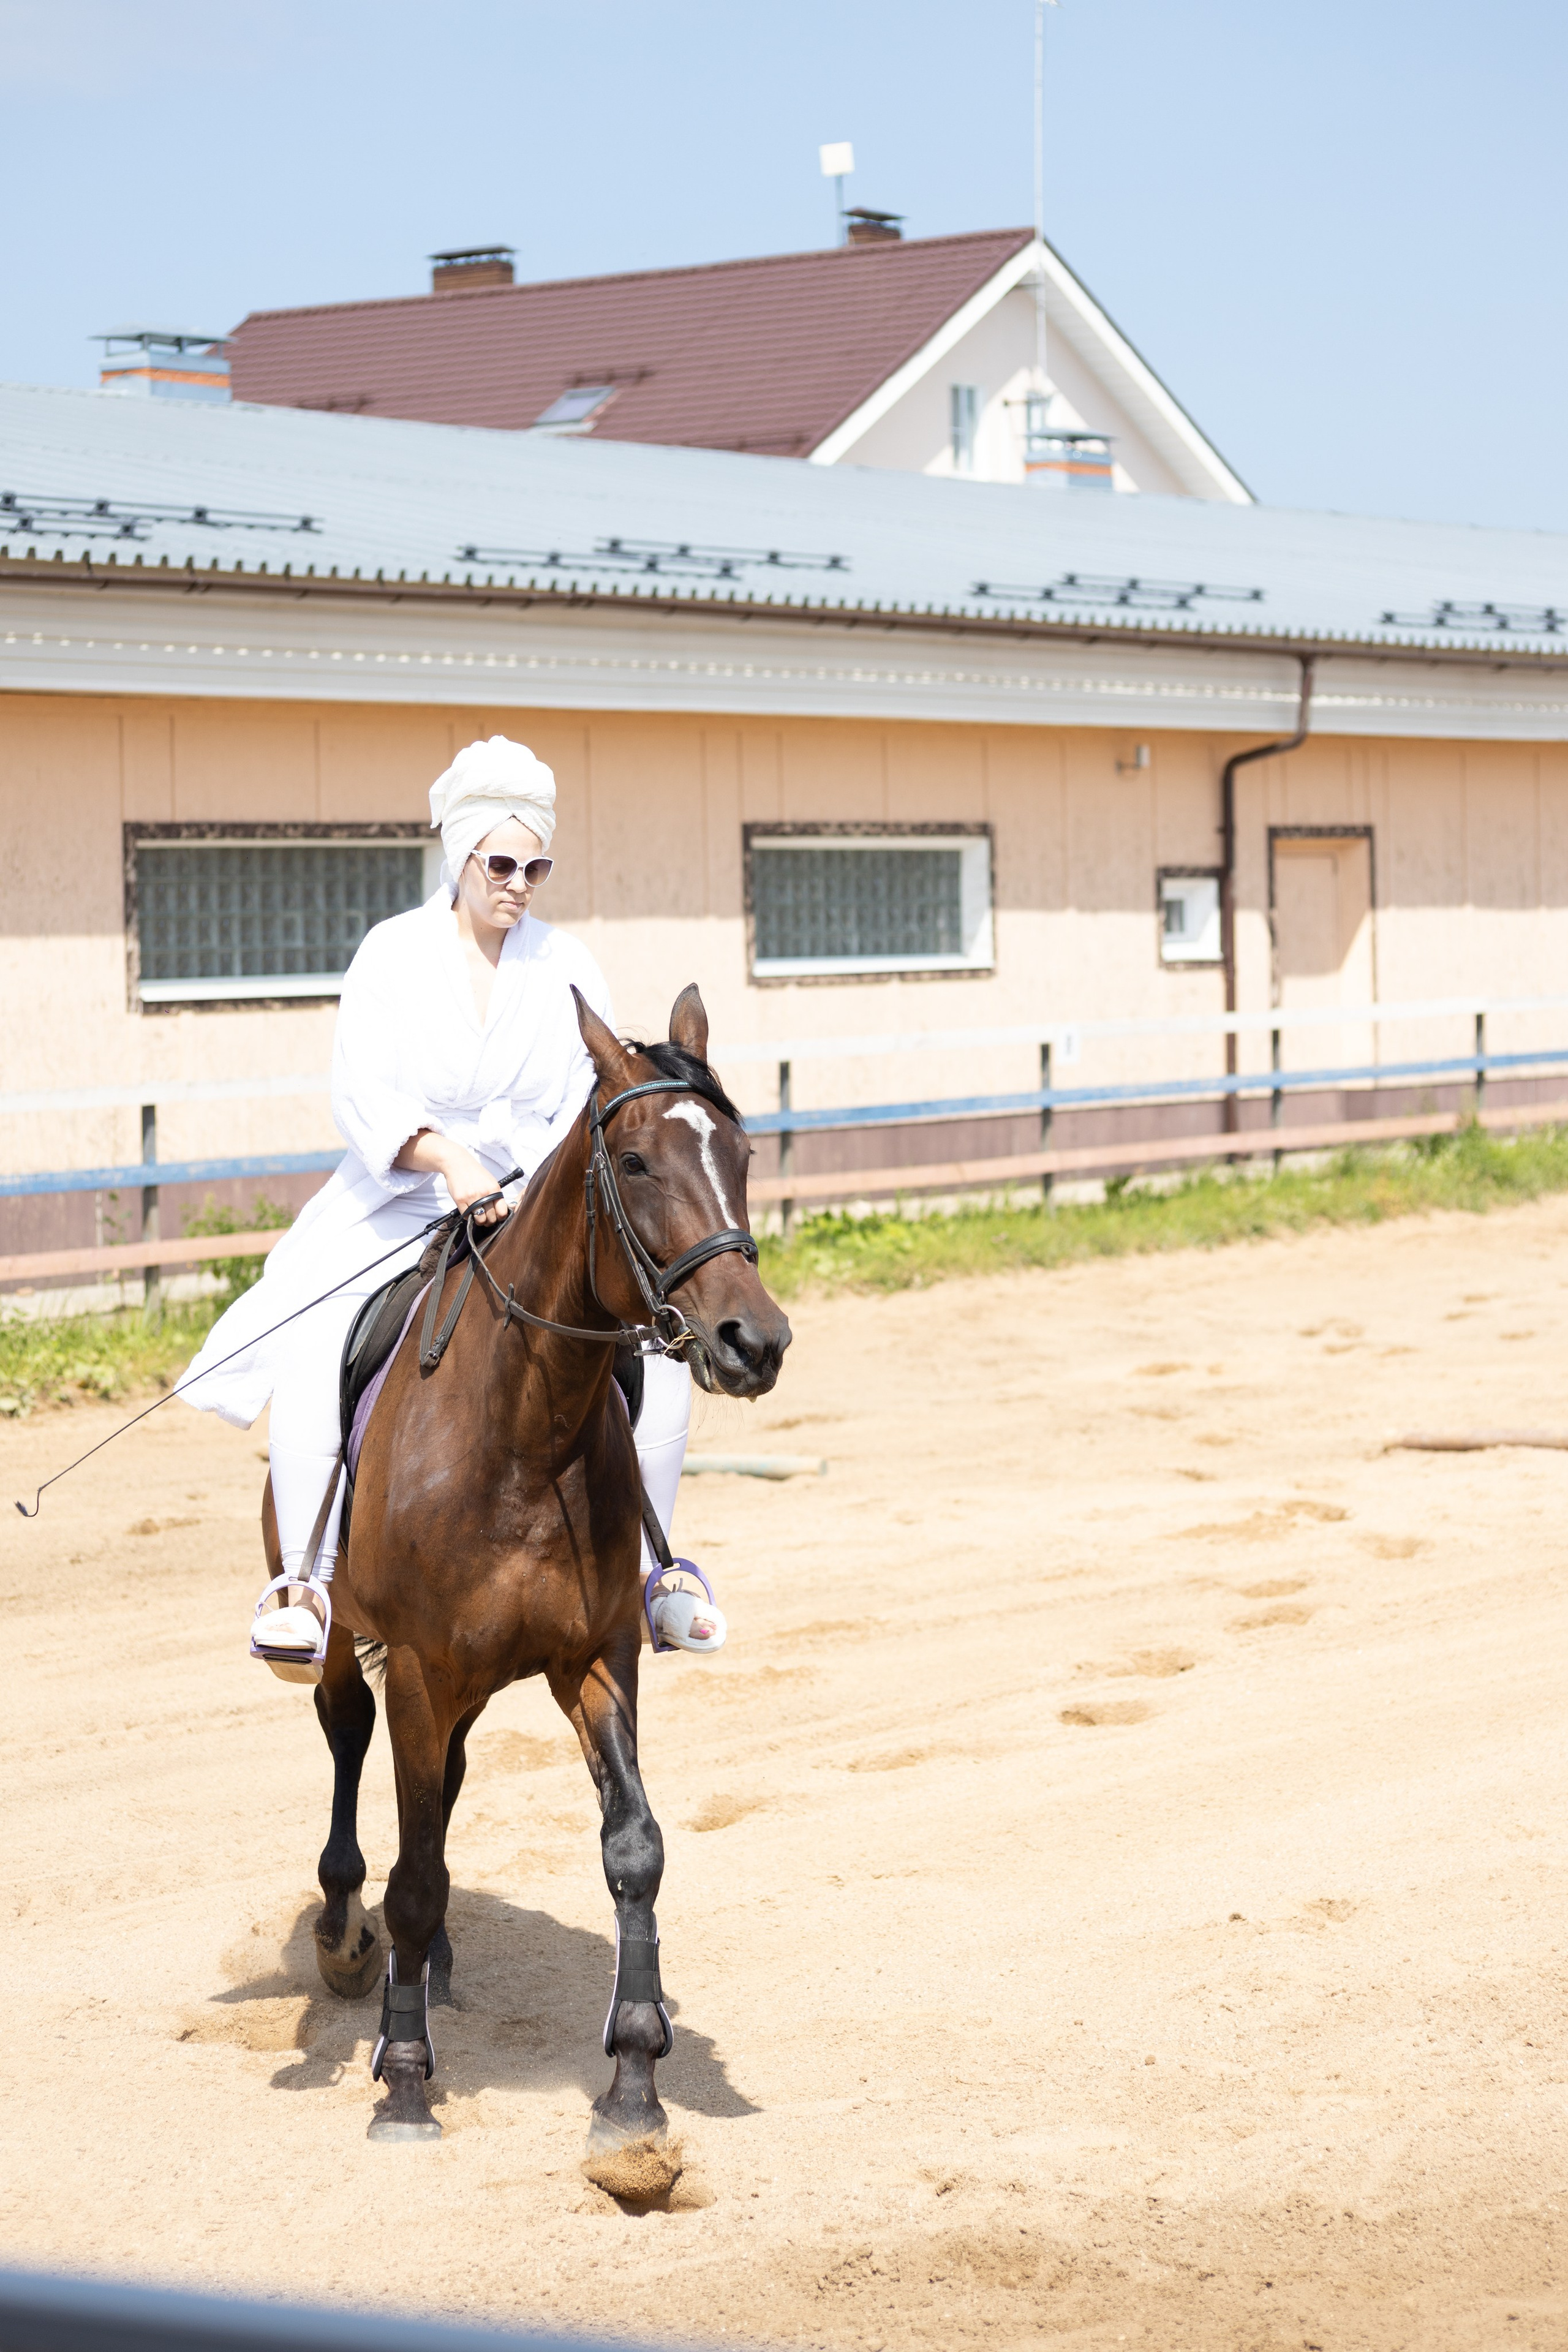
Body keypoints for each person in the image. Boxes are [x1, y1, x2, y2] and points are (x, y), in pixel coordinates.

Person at [179, 735, 724, 1673]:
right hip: (399, 1196)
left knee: (656, 1351)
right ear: (462, 855)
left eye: (537, 865)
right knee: (314, 1336)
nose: (520, 883)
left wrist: (531, 1183)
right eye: (503, 863)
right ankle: (305, 1582)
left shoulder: (568, 963)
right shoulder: (392, 954)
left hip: (530, 1203)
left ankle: (654, 1572)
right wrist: (445, 1158)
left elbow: (583, 1097)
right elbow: (361, 1093)